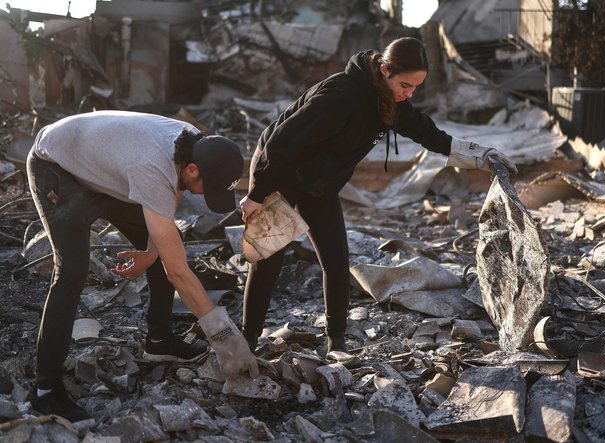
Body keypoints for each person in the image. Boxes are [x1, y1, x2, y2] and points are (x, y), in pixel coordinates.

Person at [239, 37, 517, 361]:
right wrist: (256, 195)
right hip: (280, 175)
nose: (408, 94)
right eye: (405, 85)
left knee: (336, 260)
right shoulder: (341, 96)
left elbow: (428, 133)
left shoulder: (390, 102)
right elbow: (279, 143)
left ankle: (336, 344)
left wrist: (480, 155)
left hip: (319, 184)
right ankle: (246, 342)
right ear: (384, 70)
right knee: (267, 260)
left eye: (415, 88)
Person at [26, 110, 259, 422]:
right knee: (71, 272)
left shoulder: (191, 141)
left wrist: (150, 253)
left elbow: (173, 191)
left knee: (165, 246)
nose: (205, 196)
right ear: (192, 169)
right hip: (55, 165)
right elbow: (177, 272)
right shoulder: (152, 165)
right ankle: (46, 390)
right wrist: (224, 337)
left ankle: (160, 340)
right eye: (208, 187)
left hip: (104, 164)